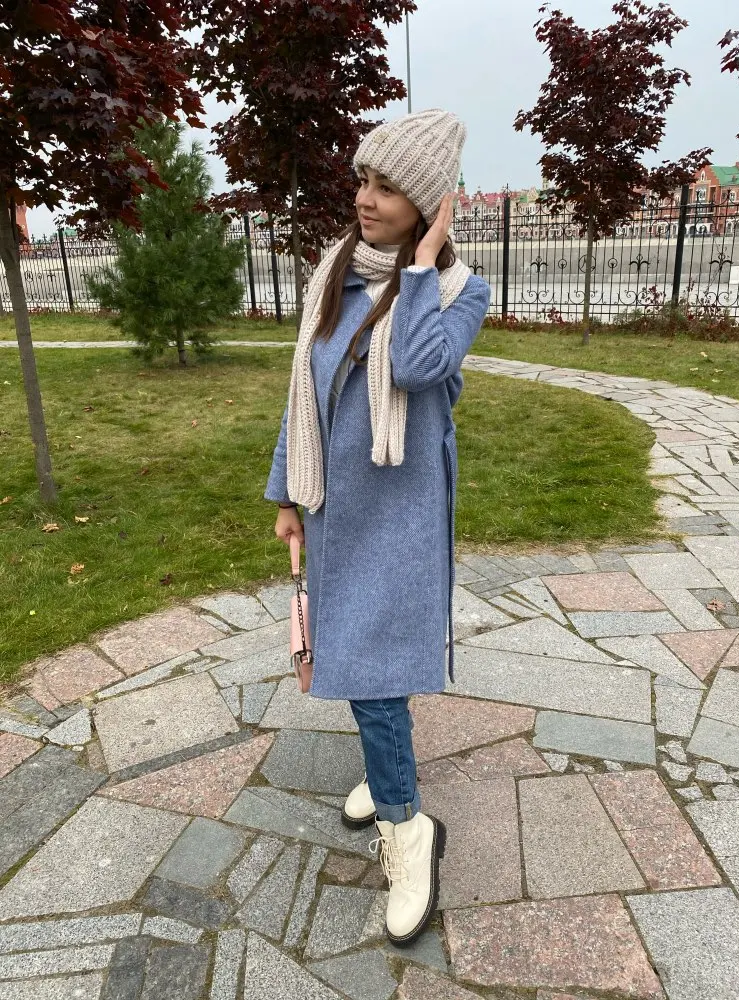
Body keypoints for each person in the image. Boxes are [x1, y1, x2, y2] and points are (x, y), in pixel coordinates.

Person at [264, 108, 491, 946]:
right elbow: (305, 392)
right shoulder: (334, 273)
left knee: (373, 671)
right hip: (336, 511)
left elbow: (420, 365)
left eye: (388, 187)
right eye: (363, 179)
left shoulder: (461, 293)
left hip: (399, 519)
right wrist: (286, 496)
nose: (364, 198)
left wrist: (423, 265)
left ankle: (408, 827)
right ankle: (386, 774)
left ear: (427, 206)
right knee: (361, 664)